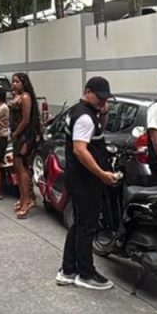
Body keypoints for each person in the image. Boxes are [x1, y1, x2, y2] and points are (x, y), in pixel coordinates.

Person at [57, 77, 117, 291]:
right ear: (88, 91)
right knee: (87, 227)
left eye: (105, 99)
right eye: (99, 98)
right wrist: (102, 174)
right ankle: (86, 273)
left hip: (78, 177)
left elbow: (96, 132)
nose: (102, 102)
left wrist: (103, 113)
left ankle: (68, 270)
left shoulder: (81, 111)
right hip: (85, 179)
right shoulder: (84, 116)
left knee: (79, 224)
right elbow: (80, 150)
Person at [9, 72, 40, 219]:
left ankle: (27, 200)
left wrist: (16, 133)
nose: (14, 84)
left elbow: (26, 120)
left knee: (23, 169)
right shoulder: (16, 96)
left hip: (24, 136)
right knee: (17, 167)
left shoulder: (26, 97)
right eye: (13, 81)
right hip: (16, 135)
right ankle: (23, 197)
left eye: (17, 82)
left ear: (24, 83)